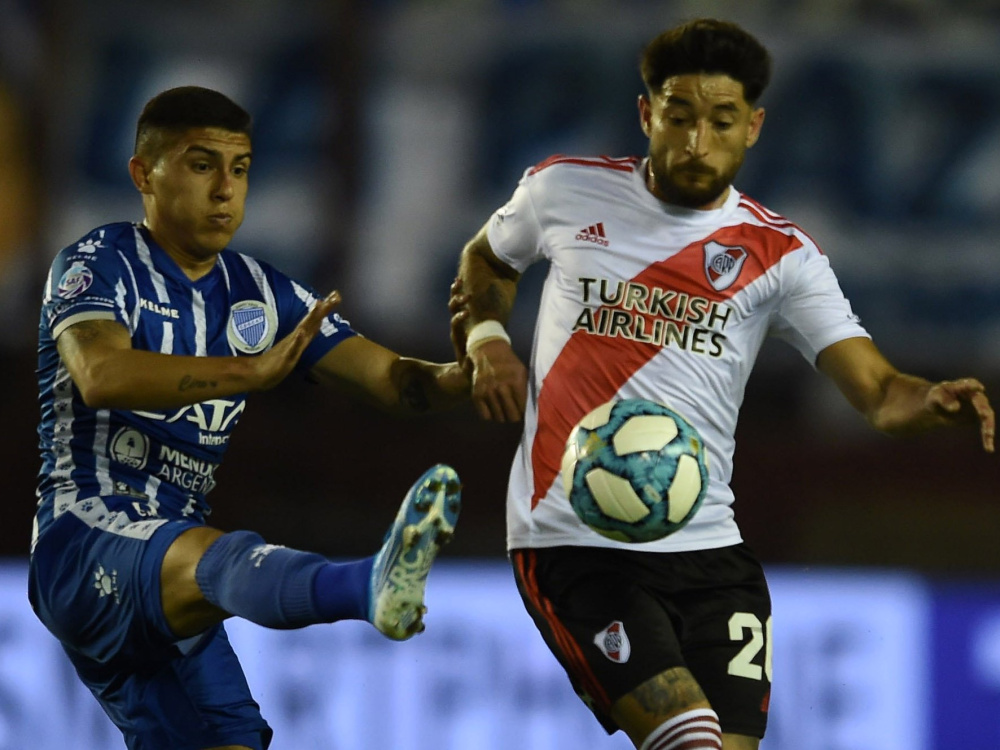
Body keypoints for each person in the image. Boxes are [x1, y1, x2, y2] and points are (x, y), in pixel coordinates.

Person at [449, 18, 995, 750]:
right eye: (678, 118)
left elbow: (877, 390)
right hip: (575, 539)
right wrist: (488, 343)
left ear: (755, 127)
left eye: (721, 120)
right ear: (648, 114)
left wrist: (929, 400)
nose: (696, 141)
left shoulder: (783, 255)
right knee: (690, 741)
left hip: (710, 552)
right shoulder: (564, 191)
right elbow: (486, 261)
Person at [29, 86, 468, 750]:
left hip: (169, 566)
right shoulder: (98, 263)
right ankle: (364, 584)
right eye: (202, 164)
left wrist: (463, 377)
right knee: (221, 556)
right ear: (143, 175)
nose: (225, 190)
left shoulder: (260, 292)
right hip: (83, 538)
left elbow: (388, 379)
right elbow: (100, 375)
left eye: (240, 169)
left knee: (230, 741)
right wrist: (246, 373)